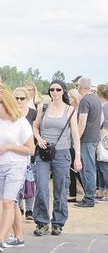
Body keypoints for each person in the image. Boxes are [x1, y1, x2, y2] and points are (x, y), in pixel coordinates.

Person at [0, 90, 34, 252]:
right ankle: (19, 237)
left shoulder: (21, 122)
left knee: (8, 202)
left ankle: (1, 239)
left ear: (6, 103)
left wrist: (9, 147)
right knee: (10, 203)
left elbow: (30, 149)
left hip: (16, 166)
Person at [32, 80, 81, 236]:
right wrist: (38, 138)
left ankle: (58, 222)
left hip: (62, 153)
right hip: (43, 152)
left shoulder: (70, 110)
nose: (55, 92)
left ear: (63, 91)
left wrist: (77, 156)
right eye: (52, 89)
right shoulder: (43, 107)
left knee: (60, 189)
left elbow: (75, 134)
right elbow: (35, 126)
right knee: (41, 187)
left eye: (58, 89)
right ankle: (42, 222)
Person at [75, 77, 102, 208]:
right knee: (90, 167)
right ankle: (89, 196)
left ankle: (89, 198)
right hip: (94, 138)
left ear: (79, 86)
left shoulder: (85, 101)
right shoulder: (96, 98)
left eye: (76, 85)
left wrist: (76, 139)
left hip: (86, 139)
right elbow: (101, 119)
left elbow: (82, 122)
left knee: (87, 168)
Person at [14, 87, 37, 221]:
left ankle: (29, 209)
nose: (19, 101)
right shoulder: (11, 113)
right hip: (16, 153)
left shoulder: (33, 113)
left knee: (29, 181)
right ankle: (19, 206)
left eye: (22, 98)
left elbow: (36, 130)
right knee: (17, 182)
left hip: (30, 152)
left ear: (27, 99)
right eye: (16, 98)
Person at [67, 88, 84, 202]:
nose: (68, 98)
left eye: (70, 97)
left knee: (76, 169)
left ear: (75, 99)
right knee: (72, 169)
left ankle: (87, 192)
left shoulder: (76, 112)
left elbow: (77, 129)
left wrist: (75, 141)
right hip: (71, 142)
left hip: (75, 143)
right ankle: (72, 193)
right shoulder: (70, 110)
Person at [96, 84, 108, 202]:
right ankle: (101, 191)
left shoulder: (104, 107)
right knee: (101, 167)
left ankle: (105, 192)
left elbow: (103, 125)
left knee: (104, 167)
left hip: (104, 139)